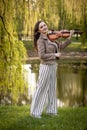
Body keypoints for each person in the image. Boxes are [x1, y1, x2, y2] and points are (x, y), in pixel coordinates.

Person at [30, 20, 74, 118]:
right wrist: (54, 54)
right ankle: (35, 112)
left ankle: (51, 111)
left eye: (44, 25)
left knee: (52, 89)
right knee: (41, 88)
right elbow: (42, 56)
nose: (44, 27)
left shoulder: (51, 37)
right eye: (41, 27)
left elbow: (61, 46)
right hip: (45, 67)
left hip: (53, 66)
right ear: (38, 31)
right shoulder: (40, 40)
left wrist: (69, 37)